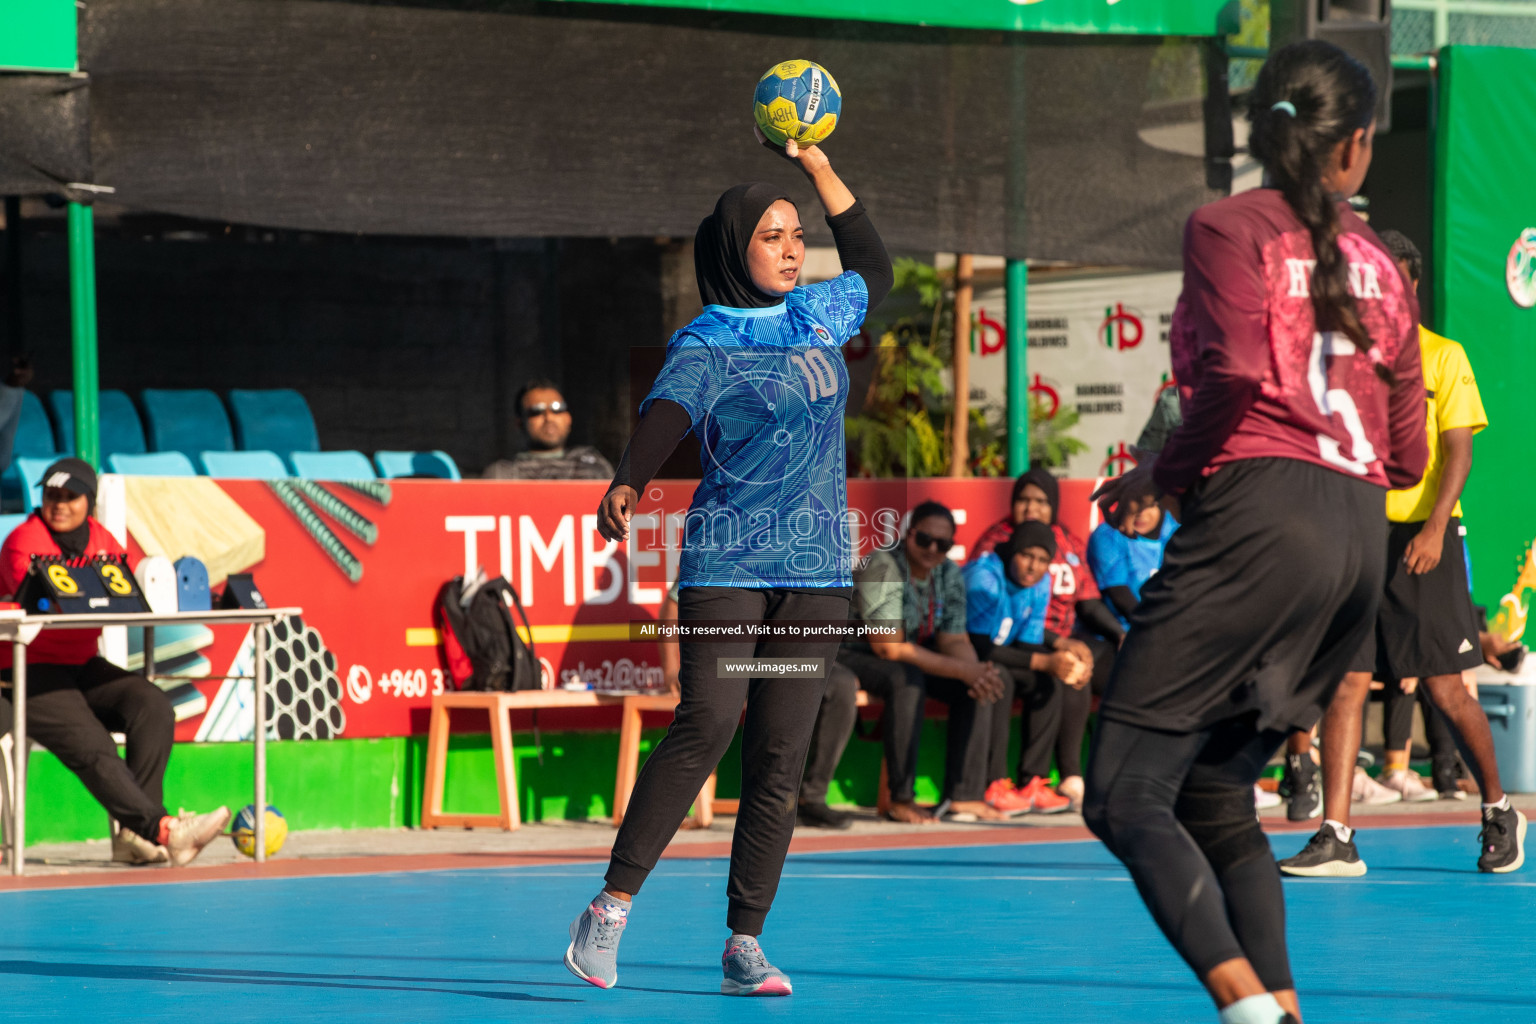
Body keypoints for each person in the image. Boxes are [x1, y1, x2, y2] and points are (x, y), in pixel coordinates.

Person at [1083, 41, 1431, 1024]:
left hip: (1260, 517)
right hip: (1357, 531)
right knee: (1215, 794)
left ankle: (1250, 1011)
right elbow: (1405, 450)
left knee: (1120, 792)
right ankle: (1285, 1005)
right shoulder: (1381, 262)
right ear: (1355, 149)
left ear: (1258, 131)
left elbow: (1235, 370)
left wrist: (1174, 469)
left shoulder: (1226, 227)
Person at [563, 130, 893, 997]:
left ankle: (745, 943)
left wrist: (818, 167)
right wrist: (628, 483)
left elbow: (875, 269)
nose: (792, 249)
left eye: (796, 234)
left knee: (781, 752)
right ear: (733, 251)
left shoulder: (819, 314)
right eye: (772, 236)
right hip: (730, 565)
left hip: (816, 577)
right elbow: (667, 416)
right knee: (709, 720)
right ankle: (610, 907)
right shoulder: (704, 342)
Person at [1278, 228, 1526, 878]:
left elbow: (1460, 449)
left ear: (1410, 284)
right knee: (1346, 681)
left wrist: (1437, 525)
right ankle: (1337, 835)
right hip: (1357, 539)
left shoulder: (1444, 356)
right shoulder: (1344, 361)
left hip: (1424, 539)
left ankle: (1500, 808)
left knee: (1445, 688)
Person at [0, 459, 230, 867]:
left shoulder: (104, 541)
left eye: (70, 496)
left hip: (81, 664)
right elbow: (51, 601)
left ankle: (133, 837)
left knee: (152, 705)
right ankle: (164, 830)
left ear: (89, 500)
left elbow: (120, 597)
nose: (59, 504)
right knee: (94, 744)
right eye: (51, 495)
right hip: (22, 668)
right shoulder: (22, 540)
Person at [836, 502, 1009, 823]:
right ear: (908, 534)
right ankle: (901, 798)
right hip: (853, 653)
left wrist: (975, 673)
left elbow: (954, 640)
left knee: (980, 682)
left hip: (908, 653)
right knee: (907, 680)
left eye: (942, 544)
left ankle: (963, 795)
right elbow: (889, 648)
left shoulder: (948, 572)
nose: (933, 549)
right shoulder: (883, 565)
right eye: (925, 539)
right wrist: (964, 670)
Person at [971, 467, 1124, 809]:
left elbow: (1088, 600)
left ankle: (1045, 780)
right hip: (999, 639)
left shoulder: (1066, 543)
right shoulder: (995, 549)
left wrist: (1118, 634)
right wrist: (1053, 652)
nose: (1031, 507)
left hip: (1048, 637)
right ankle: (1009, 780)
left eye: (1040, 501)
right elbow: (984, 640)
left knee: (1107, 670)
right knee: (1018, 677)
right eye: (1023, 500)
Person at [659, 579, 859, 830]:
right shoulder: (734, 547)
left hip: (783, 656)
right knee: (712, 712)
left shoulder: (809, 553)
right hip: (737, 660)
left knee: (840, 683)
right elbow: (672, 605)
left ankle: (812, 797)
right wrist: (669, 668)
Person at [963, 520, 1084, 815]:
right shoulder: (984, 578)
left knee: (1049, 680)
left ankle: (1033, 782)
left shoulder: (1040, 583)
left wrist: (1063, 662)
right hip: (964, 655)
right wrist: (1044, 661)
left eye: (1043, 560)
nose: (1034, 567)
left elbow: (1028, 642)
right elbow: (979, 645)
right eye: (1027, 556)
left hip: (1001, 652)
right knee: (999, 676)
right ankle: (994, 783)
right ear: (1014, 551)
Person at [1087, 482, 1177, 632]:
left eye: (1147, 505)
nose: (1139, 512)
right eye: (1133, 503)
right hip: (1127, 632)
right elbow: (1121, 597)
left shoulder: (1177, 530)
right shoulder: (1108, 535)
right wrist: (1160, 629)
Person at [482, 380, 615, 480]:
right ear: (520, 423)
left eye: (557, 409)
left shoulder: (595, 465)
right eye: (536, 411)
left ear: (568, 418)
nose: (549, 418)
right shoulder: (501, 474)